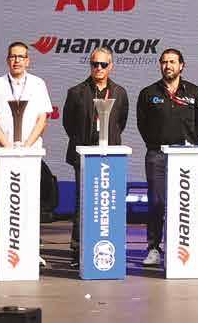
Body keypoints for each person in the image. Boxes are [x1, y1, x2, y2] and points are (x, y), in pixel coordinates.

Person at [0, 40, 54, 268]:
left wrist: (26, 146)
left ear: (28, 61)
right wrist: (8, 148)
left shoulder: (38, 84)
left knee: (30, 203)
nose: (17, 60)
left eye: (21, 56)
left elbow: (42, 118)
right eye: (13, 56)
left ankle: (32, 251)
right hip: (2, 154)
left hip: (30, 154)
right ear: (7, 60)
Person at [135, 48, 198, 267]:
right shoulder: (148, 93)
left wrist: (189, 142)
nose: (168, 65)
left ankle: (182, 248)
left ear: (181, 66)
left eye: (172, 62)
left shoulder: (195, 92)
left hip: (186, 156)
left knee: (184, 203)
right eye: (164, 62)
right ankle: (154, 248)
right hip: (157, 155)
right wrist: (156, 143)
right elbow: (142, 124)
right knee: (157, 203)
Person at [60, 48, 128, 267]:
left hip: (110, 157)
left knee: (107, 203)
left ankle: (106, 245)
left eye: (103, 64)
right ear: (90, 65)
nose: (99, 68)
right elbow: (68, 123)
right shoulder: (76, 92)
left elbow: (121, 122)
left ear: (111, 66)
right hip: (84, 155)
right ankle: (77, 249)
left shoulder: (120, 92)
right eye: (95, 64)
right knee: (83, 202)